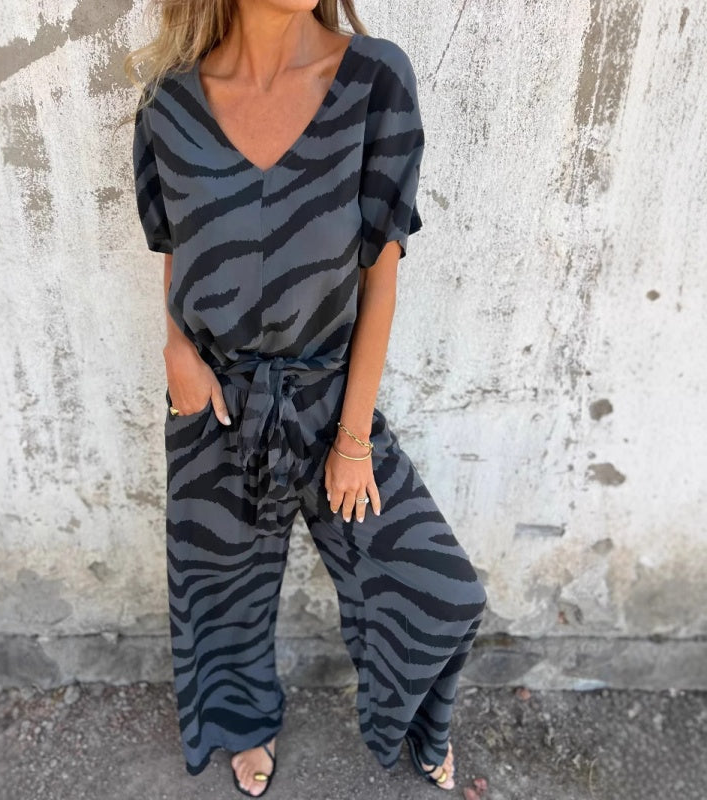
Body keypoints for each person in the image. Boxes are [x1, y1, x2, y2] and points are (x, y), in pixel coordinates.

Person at [127, 1, 487, 795]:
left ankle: (422, 721)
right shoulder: (169, 101)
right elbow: (173, 245)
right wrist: (177, 349)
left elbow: (380, 276)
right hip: (215, 400)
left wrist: (353, 440)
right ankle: (243, 724)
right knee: (220, 594)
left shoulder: (374, 79)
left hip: (327, 396)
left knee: (440, 594)